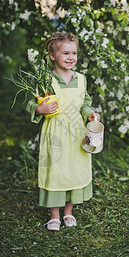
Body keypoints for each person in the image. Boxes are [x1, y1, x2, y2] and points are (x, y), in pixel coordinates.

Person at [26, 32, 100, 231]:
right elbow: (32, 102)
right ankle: (54, 215)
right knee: (55, 170)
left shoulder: (81, 79)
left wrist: (90, 114)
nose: (70, 58)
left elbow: (85, 103)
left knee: (75, 169)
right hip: (55, 132)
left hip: (76, 132)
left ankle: (69, 211)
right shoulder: (45, 79)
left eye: (74, 53)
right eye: (65, 53)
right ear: (52, 56)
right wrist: (39, 109)